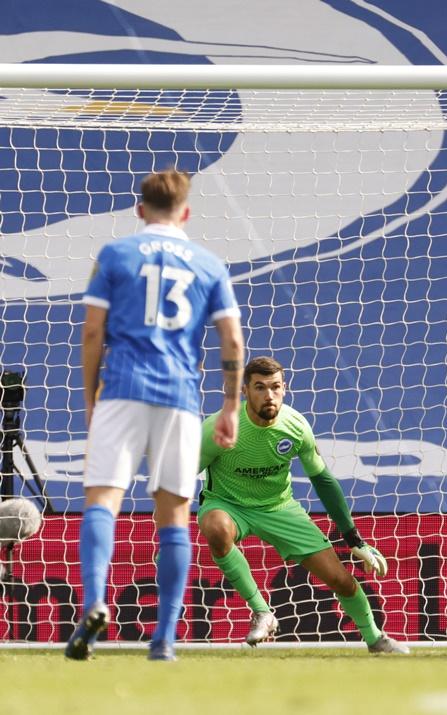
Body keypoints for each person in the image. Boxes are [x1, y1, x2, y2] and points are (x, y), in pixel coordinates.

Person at [68, 168, 244, 661]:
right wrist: (229, 407)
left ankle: (97, 603)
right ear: (185, 213)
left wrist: (90, 398)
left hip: (121, 389)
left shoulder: (115, 255)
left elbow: (91, 333)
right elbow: (231, 339)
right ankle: (164, 638)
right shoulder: (209, 264)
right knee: (174, 517)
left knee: (102, 499)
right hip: (181, 398)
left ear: (140, 209)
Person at [196, 356, 406, 654]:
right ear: (244, 391)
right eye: (259, 387)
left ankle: (376, 639)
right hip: (228, 504)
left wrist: (354, 539)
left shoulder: (295, 427)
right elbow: (182, 474)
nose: (269, 395)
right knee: (216, 528)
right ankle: (262, 611)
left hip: (279, 508)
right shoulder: (220, 427)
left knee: (341, 581)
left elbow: (323, 480)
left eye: (275, 387)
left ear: (285, 389)